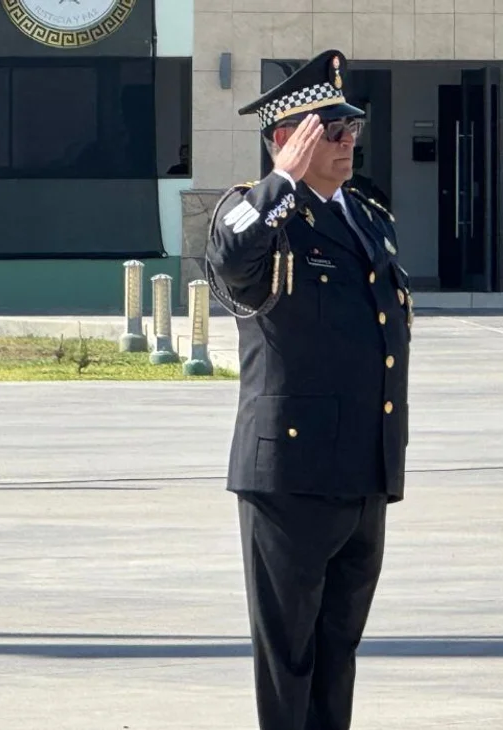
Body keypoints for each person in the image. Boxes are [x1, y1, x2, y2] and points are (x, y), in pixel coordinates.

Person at [205, 49, 412, 730]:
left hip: (362, 470)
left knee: (337, 649)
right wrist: (283, 181)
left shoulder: (368, 215)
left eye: (350, 126)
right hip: (291, 473)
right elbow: (230, 263)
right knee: (287, 654)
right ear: (284, 138)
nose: (347, 139)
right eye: (328, 129)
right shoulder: (259, 213)